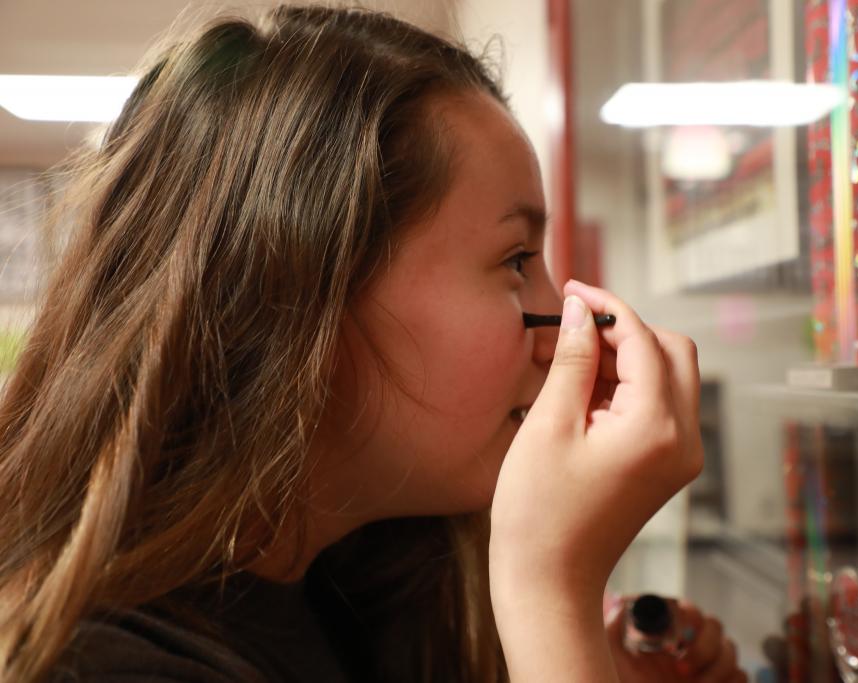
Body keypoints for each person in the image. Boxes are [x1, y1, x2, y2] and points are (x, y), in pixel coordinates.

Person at [0, 4, 746, 682]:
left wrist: (579, 661)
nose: (564, 325)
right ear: (299, 296)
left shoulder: (355, 584)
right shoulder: (100, 667)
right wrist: (549, 593)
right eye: (517, 261)